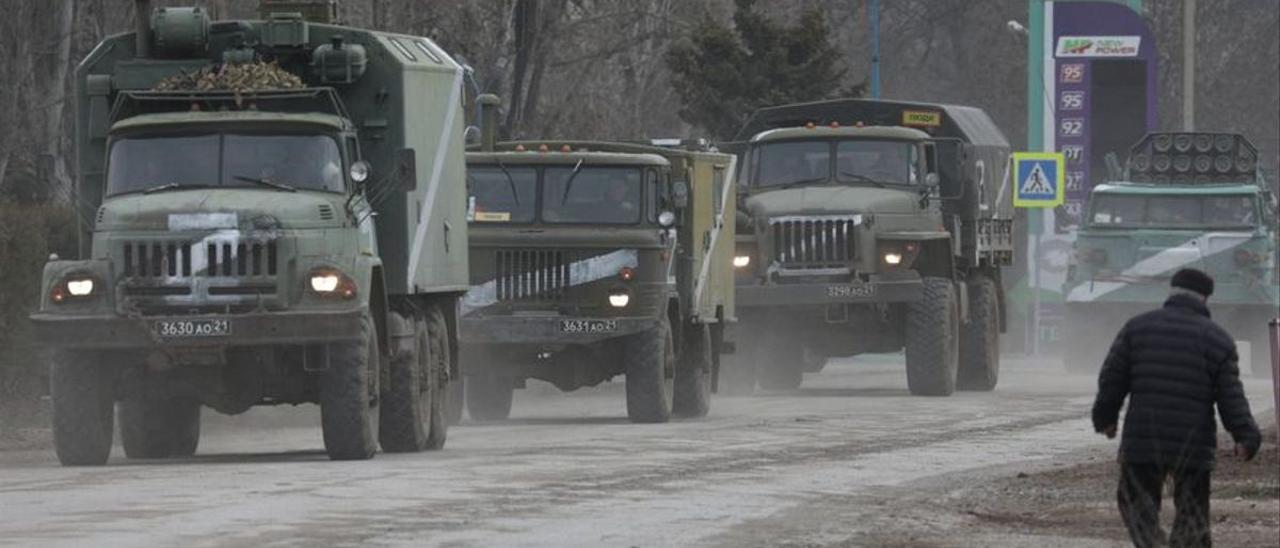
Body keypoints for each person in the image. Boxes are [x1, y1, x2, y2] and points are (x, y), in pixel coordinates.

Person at [1092, 268, 1261, 548]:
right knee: (1192, 515)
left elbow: (1111, 380)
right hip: (1192, 446)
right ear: (1205, 299)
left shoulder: (1137, 328)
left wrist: (1105, 419)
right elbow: (1232, 397)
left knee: (1135, 505)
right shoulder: (1218, 339)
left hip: (1143, 440)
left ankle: (1151, 544)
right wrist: (1246, 437)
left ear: (1171, 293)